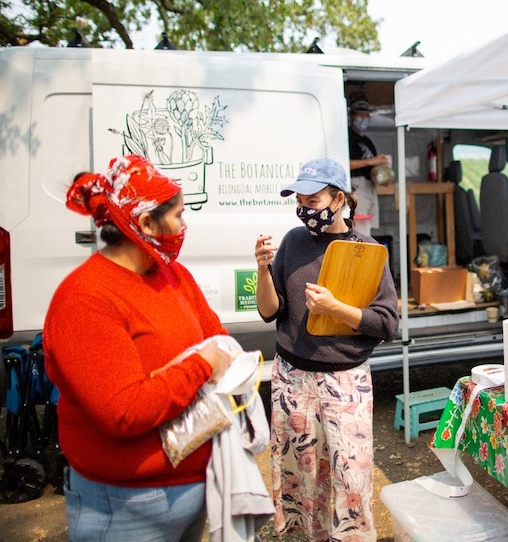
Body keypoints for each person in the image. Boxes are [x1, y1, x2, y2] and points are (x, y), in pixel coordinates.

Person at [43, 155, 234, 541]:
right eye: (178, 215)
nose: (184, 225)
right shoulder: (85, 298)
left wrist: (175, 373)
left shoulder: (173, 275)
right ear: (145, 223)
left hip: (194, 491)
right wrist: (200, 365)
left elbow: (220, 339)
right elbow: (124, 411)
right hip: (125, 508)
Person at [255, 157, 399, 541]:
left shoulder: (367, 251)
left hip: (345, 382)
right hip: (292, 379)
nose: (304, 209)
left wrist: (336, 309)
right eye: (299, 200)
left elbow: (387, 323)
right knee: (301, 476)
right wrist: (262, 270)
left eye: (313, 200)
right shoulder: (293, 242)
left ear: (339, 199)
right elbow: (271, 312)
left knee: (349, 478)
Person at [347, 96, 390, 235]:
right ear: (352, 116)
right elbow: (345, 163)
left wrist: (382, 169)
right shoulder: (347, 137)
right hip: (357, 185)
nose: (364, 118)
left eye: (367, 115)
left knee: (368, 227)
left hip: (370, 186)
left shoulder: (366, 140)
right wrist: (371, 161)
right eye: (361, 115)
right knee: (359, 227)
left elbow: (374, 163)